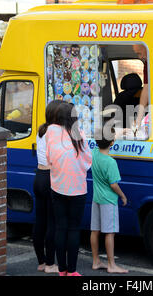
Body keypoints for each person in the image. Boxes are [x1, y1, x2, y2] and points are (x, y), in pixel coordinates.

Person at [45, 101, 92, 276]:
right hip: (78, 189)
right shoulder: (79, 135)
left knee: (60, 228)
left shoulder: (50, 132)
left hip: (57, 187)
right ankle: (72, 271)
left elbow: (49, 159)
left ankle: (61, 269)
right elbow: (88, 163)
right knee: (73, 229)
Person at [90, 129, 129, 274]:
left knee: (95, 231)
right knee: (109, 233)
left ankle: (96, 261)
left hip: (96, 199)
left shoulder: (94, 153)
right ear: (112, 143)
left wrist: (111, 135)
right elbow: (114, 184)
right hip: (109, 200)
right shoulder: (111, 162)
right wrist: (123, 196)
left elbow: (101, 141)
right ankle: (111, 265)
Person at [32, 99, 63, 274]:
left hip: (39, 177)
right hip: (51, 177)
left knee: (40, 221)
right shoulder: (57, 133)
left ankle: (41, 262)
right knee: (52, 222)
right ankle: (51, 264)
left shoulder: (41, 130)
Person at [132, 44, 148, 130]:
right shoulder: (147, 64)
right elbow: (146, 87)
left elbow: (147, 88)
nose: (140, 57)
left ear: (147, 48)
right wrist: (139, 119)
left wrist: (139, 118)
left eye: (139, 53)